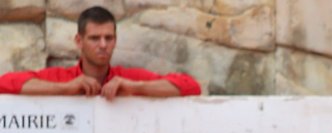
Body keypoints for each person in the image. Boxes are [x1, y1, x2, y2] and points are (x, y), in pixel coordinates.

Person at [0, 6, 200, 98]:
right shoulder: (61, 78)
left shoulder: (127, 79)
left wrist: (134, 87)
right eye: (95, 38)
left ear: (115, 40)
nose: (103, 45)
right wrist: (66, 89)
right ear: (79, 41)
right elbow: (5, 83)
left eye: (109, 38)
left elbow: (190, 86)